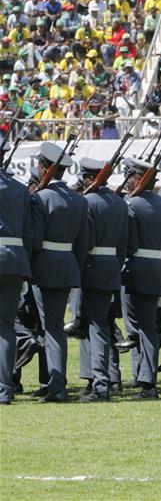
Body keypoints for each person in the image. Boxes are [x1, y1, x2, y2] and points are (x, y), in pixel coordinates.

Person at [30, 142, 90, 402]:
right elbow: (83, 243)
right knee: (54, 327)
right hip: (67, 266)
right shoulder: (79, 200)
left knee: (50, 327)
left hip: (43, 267)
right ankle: (56, 383)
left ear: (45, 168)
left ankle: (56, 386)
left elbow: (33, 239)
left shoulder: (40, 198)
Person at [76, 158, 128, 402]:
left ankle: (101, 384)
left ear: (88, 178)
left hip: (92, 269)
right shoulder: (120, 203)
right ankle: (106, 378)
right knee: (103, 325)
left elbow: (84, 241)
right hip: (111, 270)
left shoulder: (88, 202)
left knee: (96, 327)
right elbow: (124, 245)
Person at [121, 158, 161, 399]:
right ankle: (145, 377)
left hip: (135, 269)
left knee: (139, 328)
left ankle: (146, 380)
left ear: (139, 178)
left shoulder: (131, 204)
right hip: (156, 271)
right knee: (147, 327)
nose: (127, 180)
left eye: (130, 176)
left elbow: (127, 243)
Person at [0, 140, 32, 405]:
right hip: (15, 261)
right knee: (7, 327)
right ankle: (4, 389)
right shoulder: (21, 190)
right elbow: (29, 232)